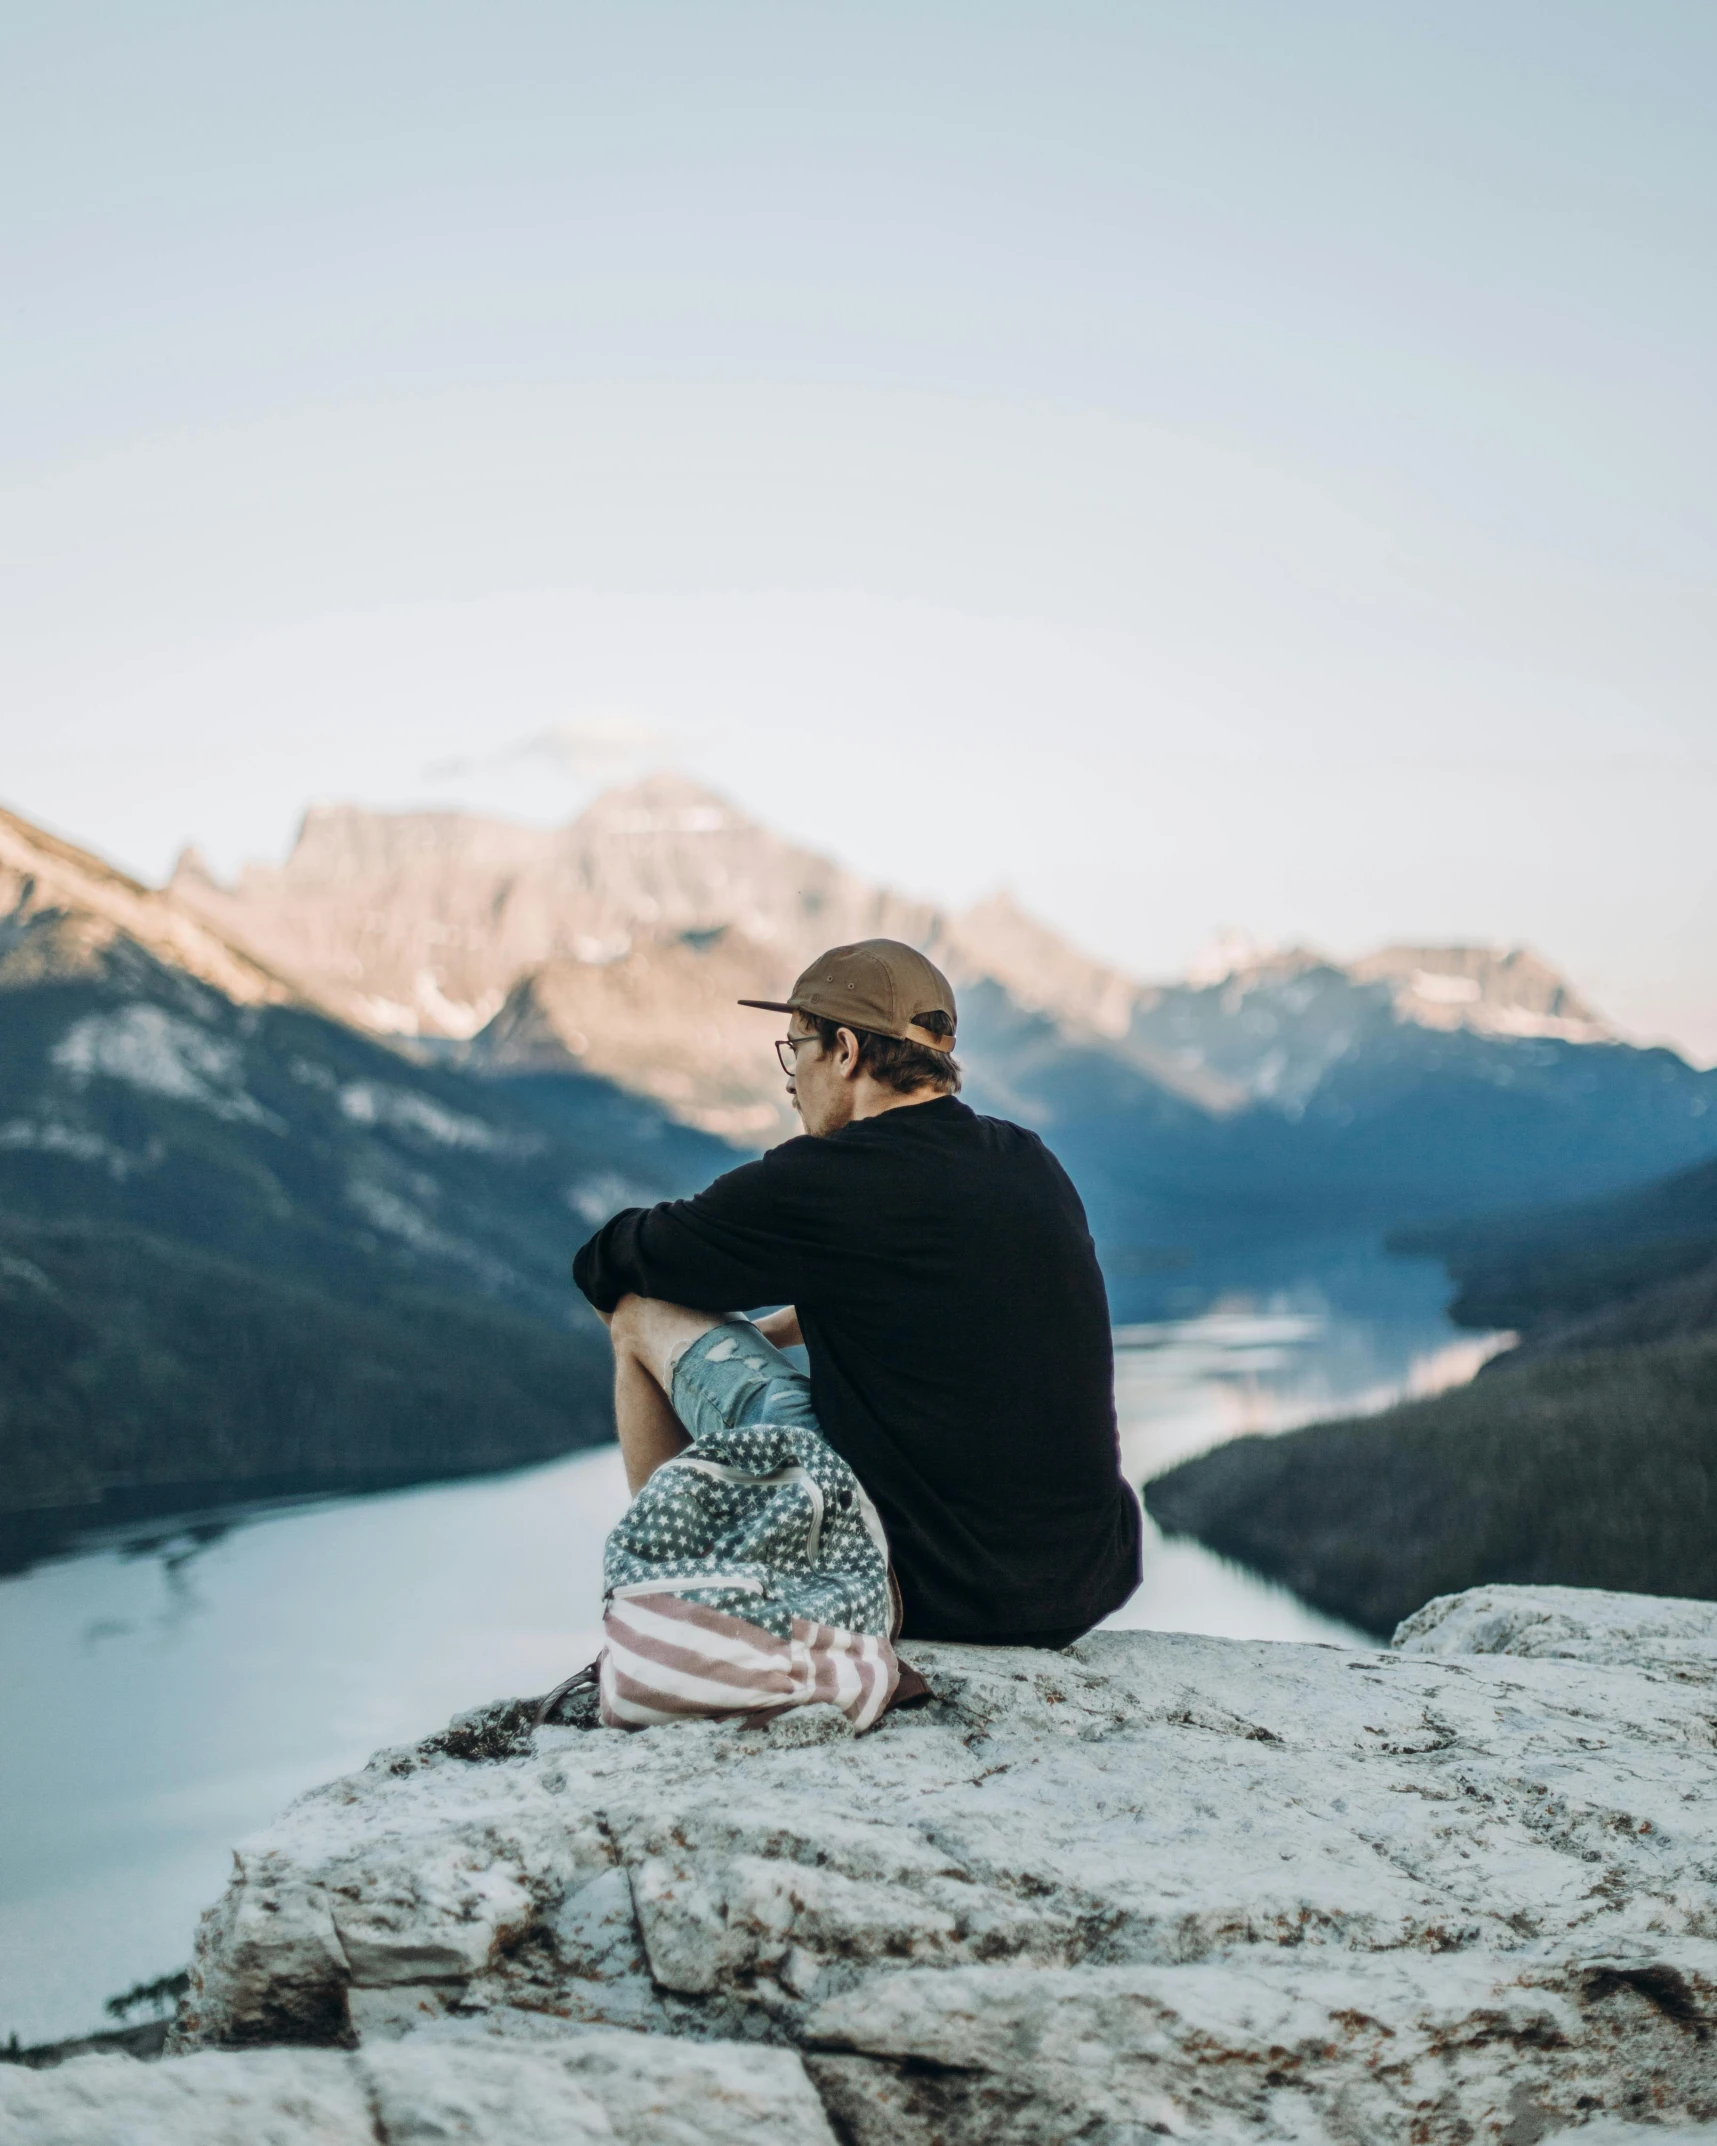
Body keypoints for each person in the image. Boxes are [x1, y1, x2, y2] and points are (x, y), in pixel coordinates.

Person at [571, 938, 1141, 1646]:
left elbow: (608, 1264)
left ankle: (670, 1611)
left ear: (843, 1050)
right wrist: (783, 1324)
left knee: (639, 1313)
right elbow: (919, 1300)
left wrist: (707, 1318)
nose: (789, 1080)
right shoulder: (1027, 1160)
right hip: (1078, 1585)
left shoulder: (821, 1182)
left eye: (795, 1048)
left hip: (925, 1590)